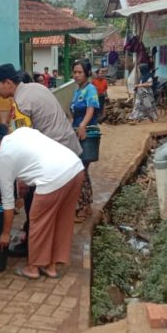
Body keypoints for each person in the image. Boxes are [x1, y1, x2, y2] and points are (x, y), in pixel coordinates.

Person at [0, 124, 85, 280]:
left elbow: (8, 204)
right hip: (75, 168)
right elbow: (36, 157)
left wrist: (5, 234)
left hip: (53, 178)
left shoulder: (3, 158)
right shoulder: (22, 132)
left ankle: (33, 268)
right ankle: (51, 267)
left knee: (38, 222)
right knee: (61, 220)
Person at [0, 63, 82, 156]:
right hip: (70, 145)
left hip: (56, 152)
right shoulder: (37, 87)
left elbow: (26, 142)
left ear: (8, 83)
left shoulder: (21, 103)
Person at [70, 61, 101, 222]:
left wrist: (82, 125)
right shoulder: (77, 91)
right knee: (82, 171)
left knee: (80, 171)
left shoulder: (91, 89)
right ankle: (87, 205)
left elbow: (91, 108)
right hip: (77, 134)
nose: (76, 75)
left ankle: (82, 208)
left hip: (88, 134)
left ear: (86, 73)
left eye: (79, 72)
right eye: (74, 72)